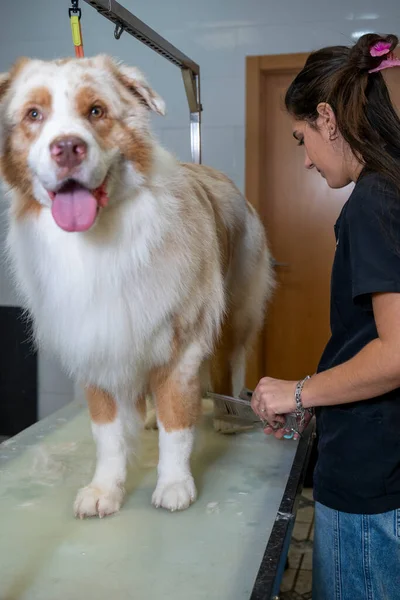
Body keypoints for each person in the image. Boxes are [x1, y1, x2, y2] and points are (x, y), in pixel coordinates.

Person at [250, 33, 400, 600]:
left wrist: (299, 393)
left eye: (302, 139)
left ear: (327, 118)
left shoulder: (374, 202)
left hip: (368, 484)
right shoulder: (391, 190)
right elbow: (366, 336)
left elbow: (395, 353)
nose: (307, 159)